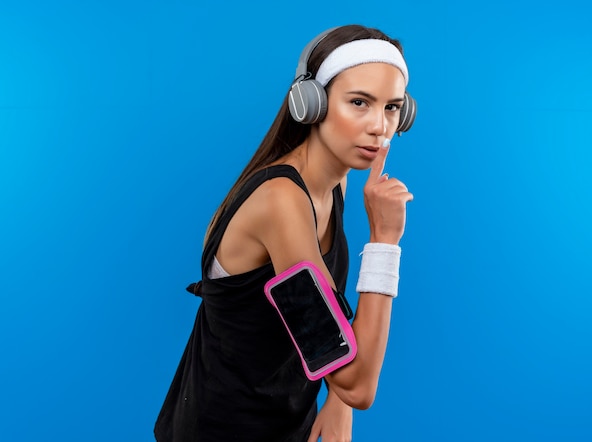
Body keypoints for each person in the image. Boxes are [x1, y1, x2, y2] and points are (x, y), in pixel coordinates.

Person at [154, 24, 416, 441]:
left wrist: (336, 403)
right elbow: (359, 384)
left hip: (290, 420)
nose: (379, 127)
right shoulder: (281, 202)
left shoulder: (334, 181)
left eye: (391, 108)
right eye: (359, 102)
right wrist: (384, 241)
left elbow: (326, 311)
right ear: (310, 104)